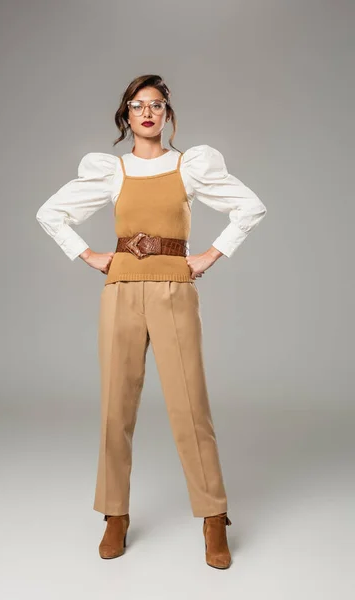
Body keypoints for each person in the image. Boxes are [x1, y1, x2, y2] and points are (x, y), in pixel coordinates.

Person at [35, 74, 267, 569]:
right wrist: (88, 254)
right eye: (138, 105)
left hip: (174, 290)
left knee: (190, 408)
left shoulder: (190, 167)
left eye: (156, 105)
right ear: (126, 115)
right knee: (115, 407)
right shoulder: (111, 170)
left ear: (166, 114)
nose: (147, 112)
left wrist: (210, 254)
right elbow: (50, 213)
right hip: (119, 291)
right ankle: (114, 513)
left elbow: (250, 206)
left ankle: (212, 515)